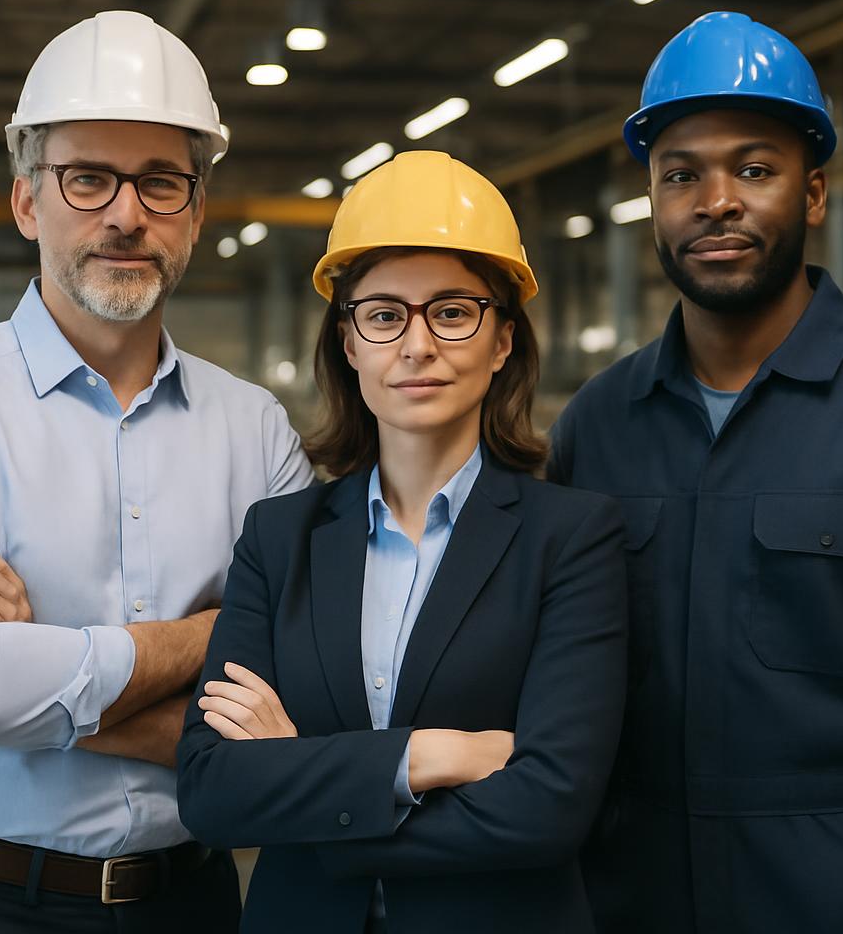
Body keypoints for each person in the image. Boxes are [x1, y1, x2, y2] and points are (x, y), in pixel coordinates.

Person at [0, 10, 312, 933]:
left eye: (161, 182)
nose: (126, 214)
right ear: (26, 202)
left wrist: (43, 662)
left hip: (197, 901)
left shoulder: (253, 429)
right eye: (87, 178)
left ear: (197, 211)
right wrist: (210, 635)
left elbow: (310, 696)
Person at [549, 10, 843, 934]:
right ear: (651, 199)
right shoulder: (598, 425)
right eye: (680, 174)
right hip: (631, 901)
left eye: (754, 169)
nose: (714, 200)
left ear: (813, 195)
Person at [176, 150, 628, 934]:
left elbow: (550, 809)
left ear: (503, 341)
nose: (416, 345)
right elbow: (214, 791)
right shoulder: (281, 541)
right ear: (349, 345)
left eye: (452, 311)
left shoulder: (572, 539)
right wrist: (428, 756)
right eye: (384, 315)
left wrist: (311, 793)